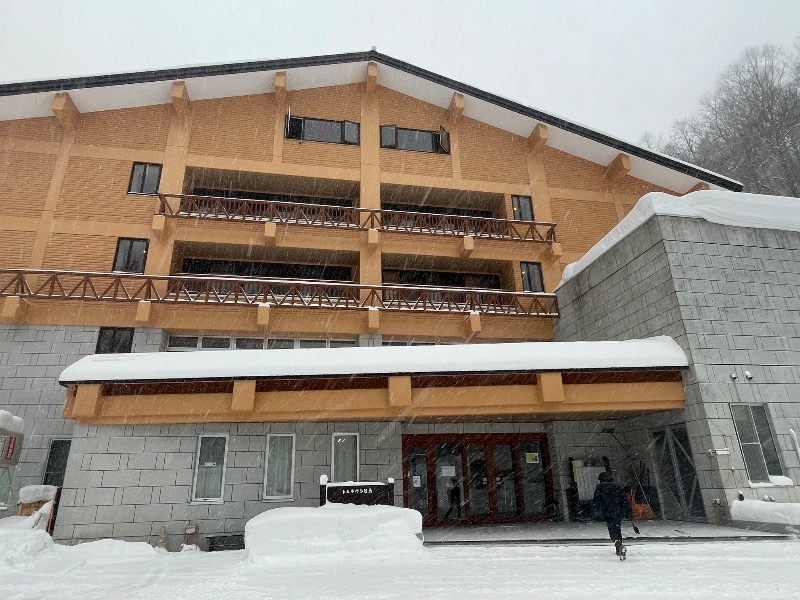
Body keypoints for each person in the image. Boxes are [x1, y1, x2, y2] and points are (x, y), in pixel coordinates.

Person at [593, 471, 632, 556]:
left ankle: (617, 542)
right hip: (618, 510)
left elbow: (596, 500)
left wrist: (600, 506)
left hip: (607, 510)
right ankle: (618, 543)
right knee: (617, 526)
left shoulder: (600, 487)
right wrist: (628, 511)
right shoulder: (618, 486)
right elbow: (624, 500)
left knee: (611, 527)